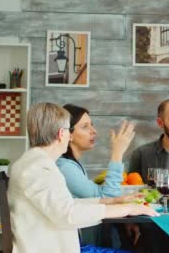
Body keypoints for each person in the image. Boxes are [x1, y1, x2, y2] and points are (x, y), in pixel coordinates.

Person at [8, 102, 159, 253]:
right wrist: (128, 208)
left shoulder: (35, 163)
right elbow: (69, 214)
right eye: (69, 130)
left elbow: (67, 205)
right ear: (62, 134)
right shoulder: (40, 168)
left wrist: (112, 201)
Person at [56, 104, 135, 246]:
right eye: (85, 127)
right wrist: (117, 153)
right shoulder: (65, 167)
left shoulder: (72, 165)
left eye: (92, 125)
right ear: (68, 134)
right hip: (81, 245)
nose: (94, 131)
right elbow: (107, 197)